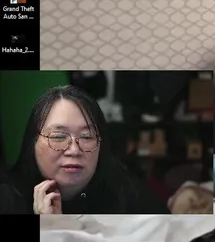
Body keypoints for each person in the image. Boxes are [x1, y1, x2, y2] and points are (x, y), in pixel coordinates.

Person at [9, 85, 169, 215]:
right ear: (32, 142)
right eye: (58, 137)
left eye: (86, 137)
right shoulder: (8, 200)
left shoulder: (126, 193)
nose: (74, 150)